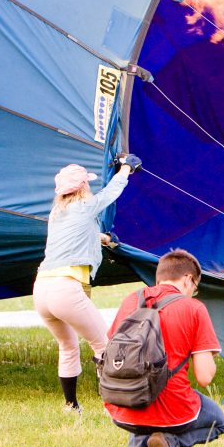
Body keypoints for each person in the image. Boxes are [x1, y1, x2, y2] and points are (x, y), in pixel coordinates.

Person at [33, 154, 141, 413]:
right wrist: (127, 167)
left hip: (41, 289)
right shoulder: (86, 205)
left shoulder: (57, 214)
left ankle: (71, 405)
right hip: (65, 289)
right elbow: (111, 192)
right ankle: (112, 405)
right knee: (104, 344)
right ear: (82, 186)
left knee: (68, 346)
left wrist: (100, 238)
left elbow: (76, 236)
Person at [105, 248, 224, 447]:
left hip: (122, 405)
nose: (193, 293)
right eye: (195, 288)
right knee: (217, 420)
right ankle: (170, 441)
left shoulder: (131, 300)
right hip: (172, 410)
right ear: (188, 280)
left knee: (147, 406)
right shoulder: (193, 308)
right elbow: (205, 377)